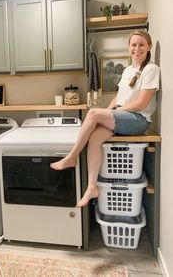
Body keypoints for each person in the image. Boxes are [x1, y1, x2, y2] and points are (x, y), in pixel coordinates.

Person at [50, 30, 160, 208]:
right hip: (124, 117)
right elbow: (118, 98)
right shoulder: (127, 70)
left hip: (138, 120)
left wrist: (109, 112)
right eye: (133, 45)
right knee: (94, 138)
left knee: (93, 113)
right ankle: (92, 187)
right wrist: (107, 113)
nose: (137, 48)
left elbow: (142, 103)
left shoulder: (151, 69)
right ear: (128, 47)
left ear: (149, 46)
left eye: (141, 45)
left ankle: (71, 157)